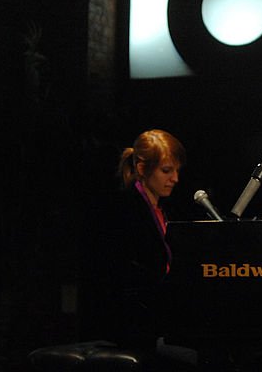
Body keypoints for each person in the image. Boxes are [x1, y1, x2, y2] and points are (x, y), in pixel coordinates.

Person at [87, 129, 188, 357]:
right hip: (131, 325)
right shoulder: (124, 210)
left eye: (177, 171)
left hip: (156, 317)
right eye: (166, 171)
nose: (175, 179)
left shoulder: (165, 209)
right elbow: (125, 279)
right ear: (142, 168)